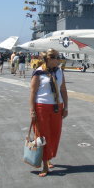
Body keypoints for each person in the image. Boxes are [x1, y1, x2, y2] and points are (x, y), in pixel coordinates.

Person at [30, 49, 68, 177]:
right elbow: (33, 92)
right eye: (56, 58)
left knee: (54, 134)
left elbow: (63, 89)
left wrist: (66, 107)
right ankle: (45, 164)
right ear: (49, 59)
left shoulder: (59, 71)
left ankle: (49, 157)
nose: (58, 60)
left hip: (57, 106)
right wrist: (32, 110)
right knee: (43, 135)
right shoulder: (38, 72)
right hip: (42, 107)